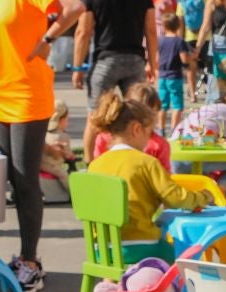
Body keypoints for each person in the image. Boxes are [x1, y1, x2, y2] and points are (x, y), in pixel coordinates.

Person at [0, 0, 86, 292]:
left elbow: (74, 7)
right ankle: (20, 259)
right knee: (7, 180)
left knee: (24, 181)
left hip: (27, 98)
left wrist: (47, 40)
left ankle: (31, 262)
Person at [86, 90, 207, 256]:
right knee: (186, 255)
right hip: (140, 245)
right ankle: (167, 282)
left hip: (102, 250)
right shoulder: (146, 163)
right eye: (149, 132)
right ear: (137, 129)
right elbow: (176, 198)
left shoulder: (95, 166)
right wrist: (203, 197)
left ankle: (111, 280)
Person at [75, 0, 158, 159]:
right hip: (135, 59)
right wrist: (153, 63)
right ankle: (136, 161)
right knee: (138, 115)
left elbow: (83, 32)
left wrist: (77, 67)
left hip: (106, 59)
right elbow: (151, 30)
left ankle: (89, 165)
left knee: (94, 117)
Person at [155, 12, 191, 133]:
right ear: (178, 25)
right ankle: (174, 130)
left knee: (163, 105)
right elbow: (184, 59)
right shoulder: (179, 41)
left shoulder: (159, 41)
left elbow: (156, 58)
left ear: (164, 26)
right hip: (175, 76)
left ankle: (161, 128)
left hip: (162, 76)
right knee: (177, 105)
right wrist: (190, 60)